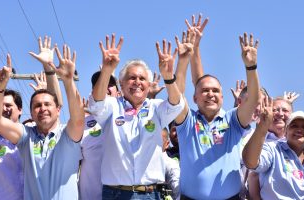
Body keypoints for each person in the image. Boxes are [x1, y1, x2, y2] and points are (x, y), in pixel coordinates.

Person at [174, 13, 261, 198]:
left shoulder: (233, 120)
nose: (210, 94)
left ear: (222, 96)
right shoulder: (187, 122)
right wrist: (184, 59)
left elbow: (253, 100)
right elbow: (176, 94)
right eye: (205, 91)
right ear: (195, 98)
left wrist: (251, 67)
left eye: (215, 91)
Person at [88, 34, 184, 199]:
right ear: (122, 83)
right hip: (115, 193)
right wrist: (107, 70)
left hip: (150, 193)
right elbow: (96, 104)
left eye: (142, 78)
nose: (137, 82)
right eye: (131, 78)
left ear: (148, 85)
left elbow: (177, 105)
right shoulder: (112, 105)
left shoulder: (156, 107)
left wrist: (168, 76)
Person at [0, 42, 84, 200]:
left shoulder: (68, 134)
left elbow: (78, 118)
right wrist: (0, 88)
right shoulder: (26, 137)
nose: (43, 108)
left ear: (58, 109)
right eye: (37, 106)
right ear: (31, 113)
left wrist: (68, 81)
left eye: (47, 104)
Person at [243, 99, 304, 199]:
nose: (299, 130)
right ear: (286, 132)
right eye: (294, 126)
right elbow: (251, 163)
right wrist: (261, 128)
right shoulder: (272, 149)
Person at [79, 70, 119, 200]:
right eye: (99, 84)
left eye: (110, 84)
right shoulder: (81, 125)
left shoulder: (130, 121)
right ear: (93, 92)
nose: (104, 87)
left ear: (119, 93)